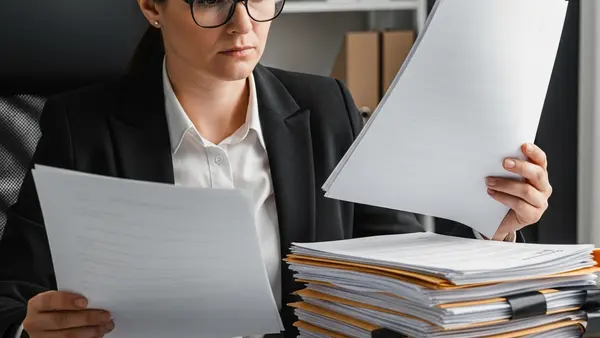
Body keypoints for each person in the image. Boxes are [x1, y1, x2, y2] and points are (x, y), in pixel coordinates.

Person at [0, 0, 553, 337]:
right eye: (211, 0)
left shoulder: (326, 108)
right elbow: (13, 295)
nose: (243, 25)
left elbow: (394, 275)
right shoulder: (82, 125)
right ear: (151, 6)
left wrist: (492, 230)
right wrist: (33, 325)